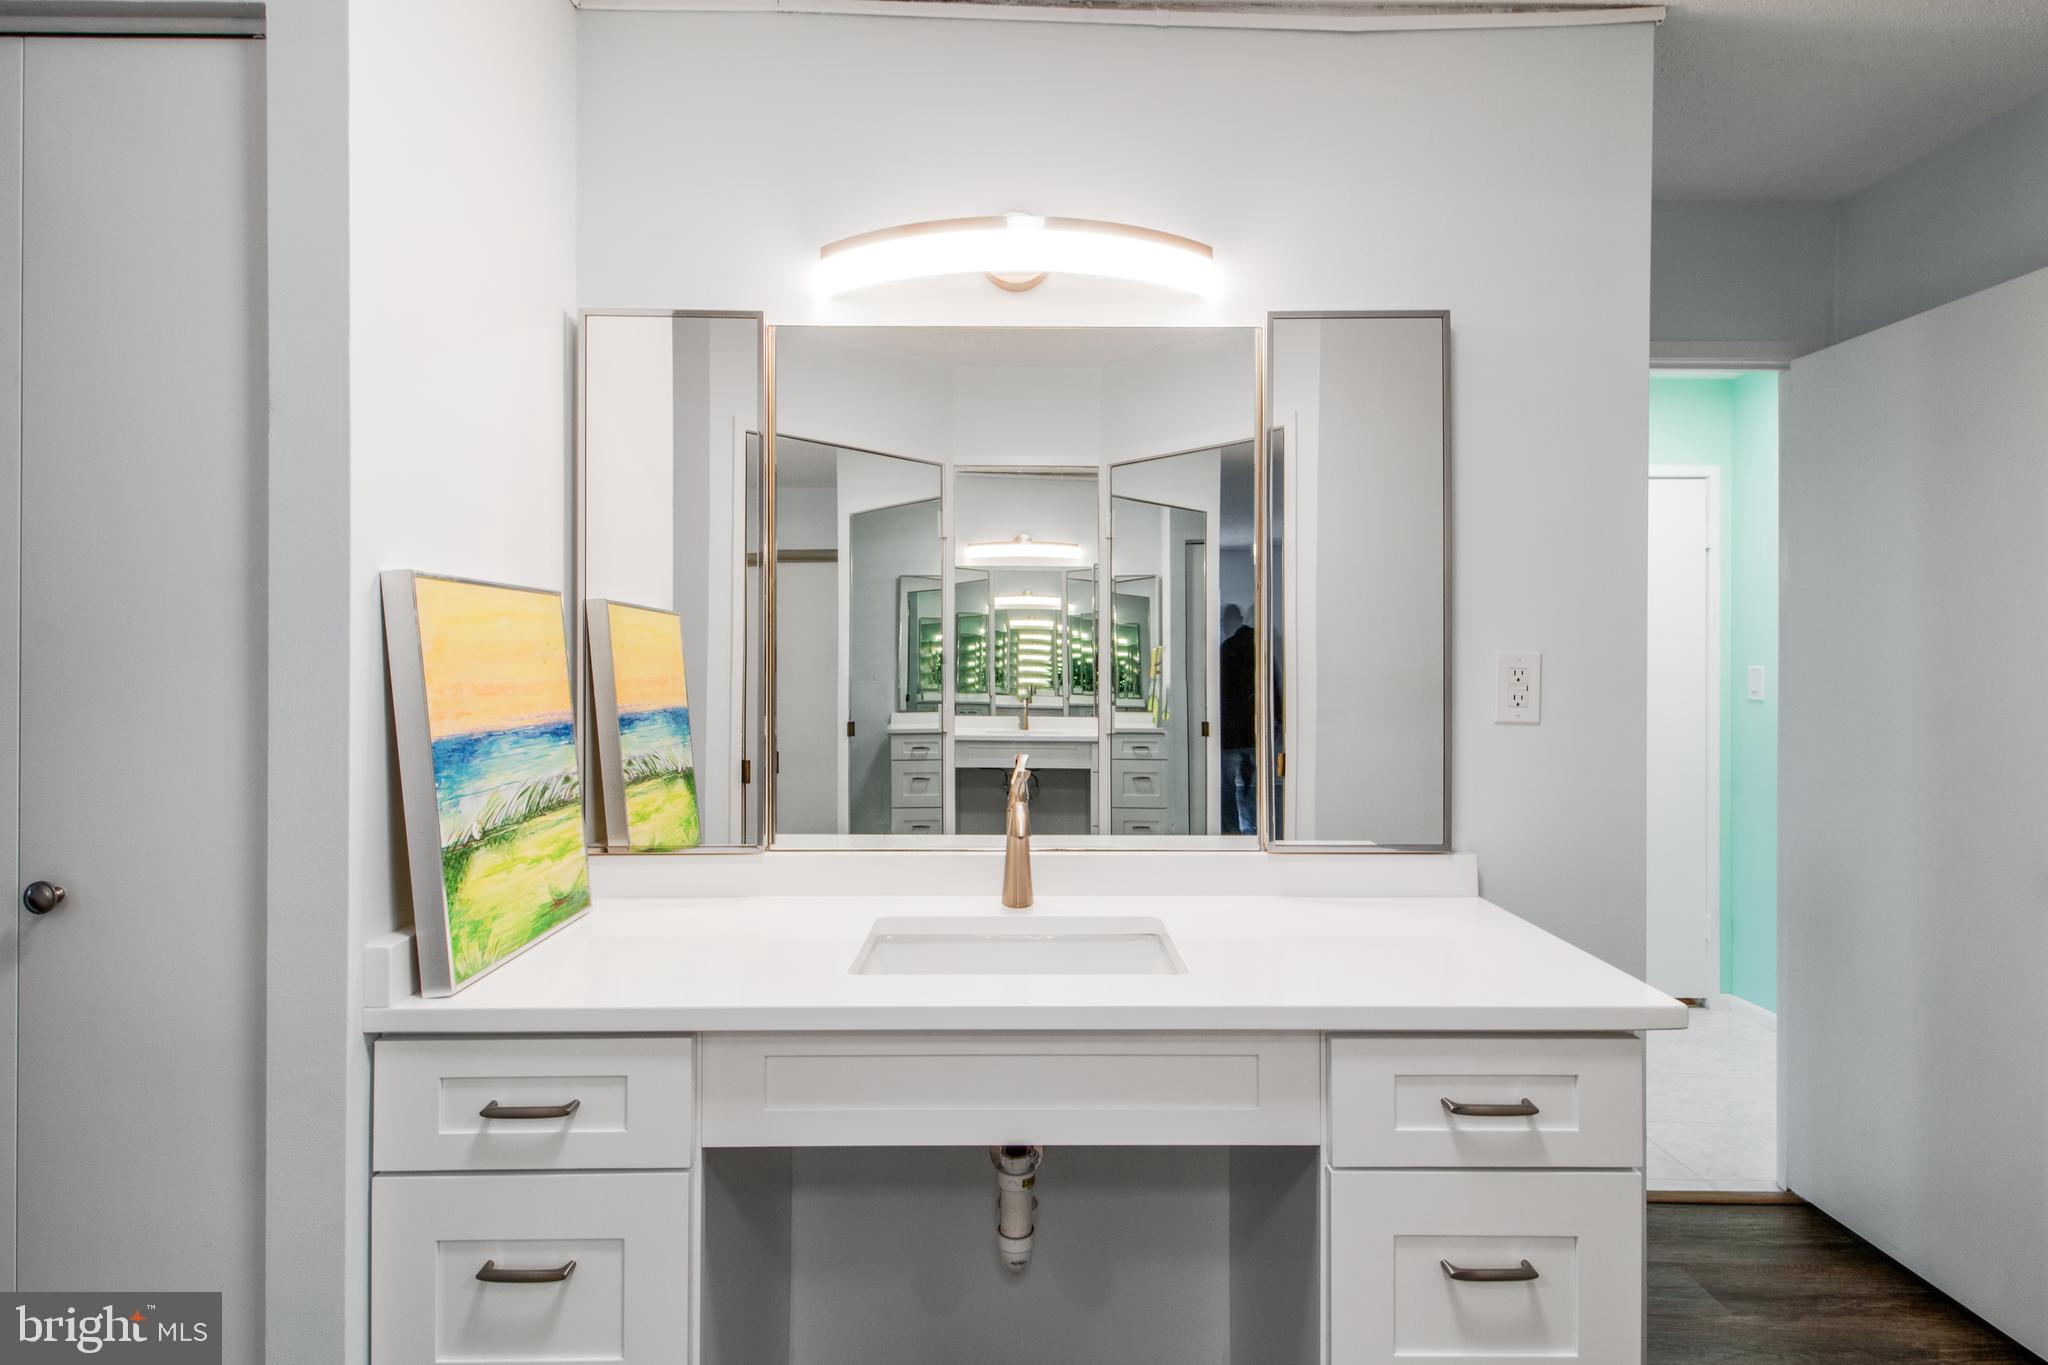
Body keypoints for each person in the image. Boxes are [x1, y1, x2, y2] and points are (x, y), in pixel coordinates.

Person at [1217, 604, 1256, 834]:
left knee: (1228, 784)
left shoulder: (1228, 648)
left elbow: (1222, 690)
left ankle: (1232, 829)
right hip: (1252, 727)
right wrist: (1278, 717)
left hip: (1231, 730)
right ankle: (1253, 824)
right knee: (1251, 780)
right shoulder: (1257, 644)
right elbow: (1273, 680)